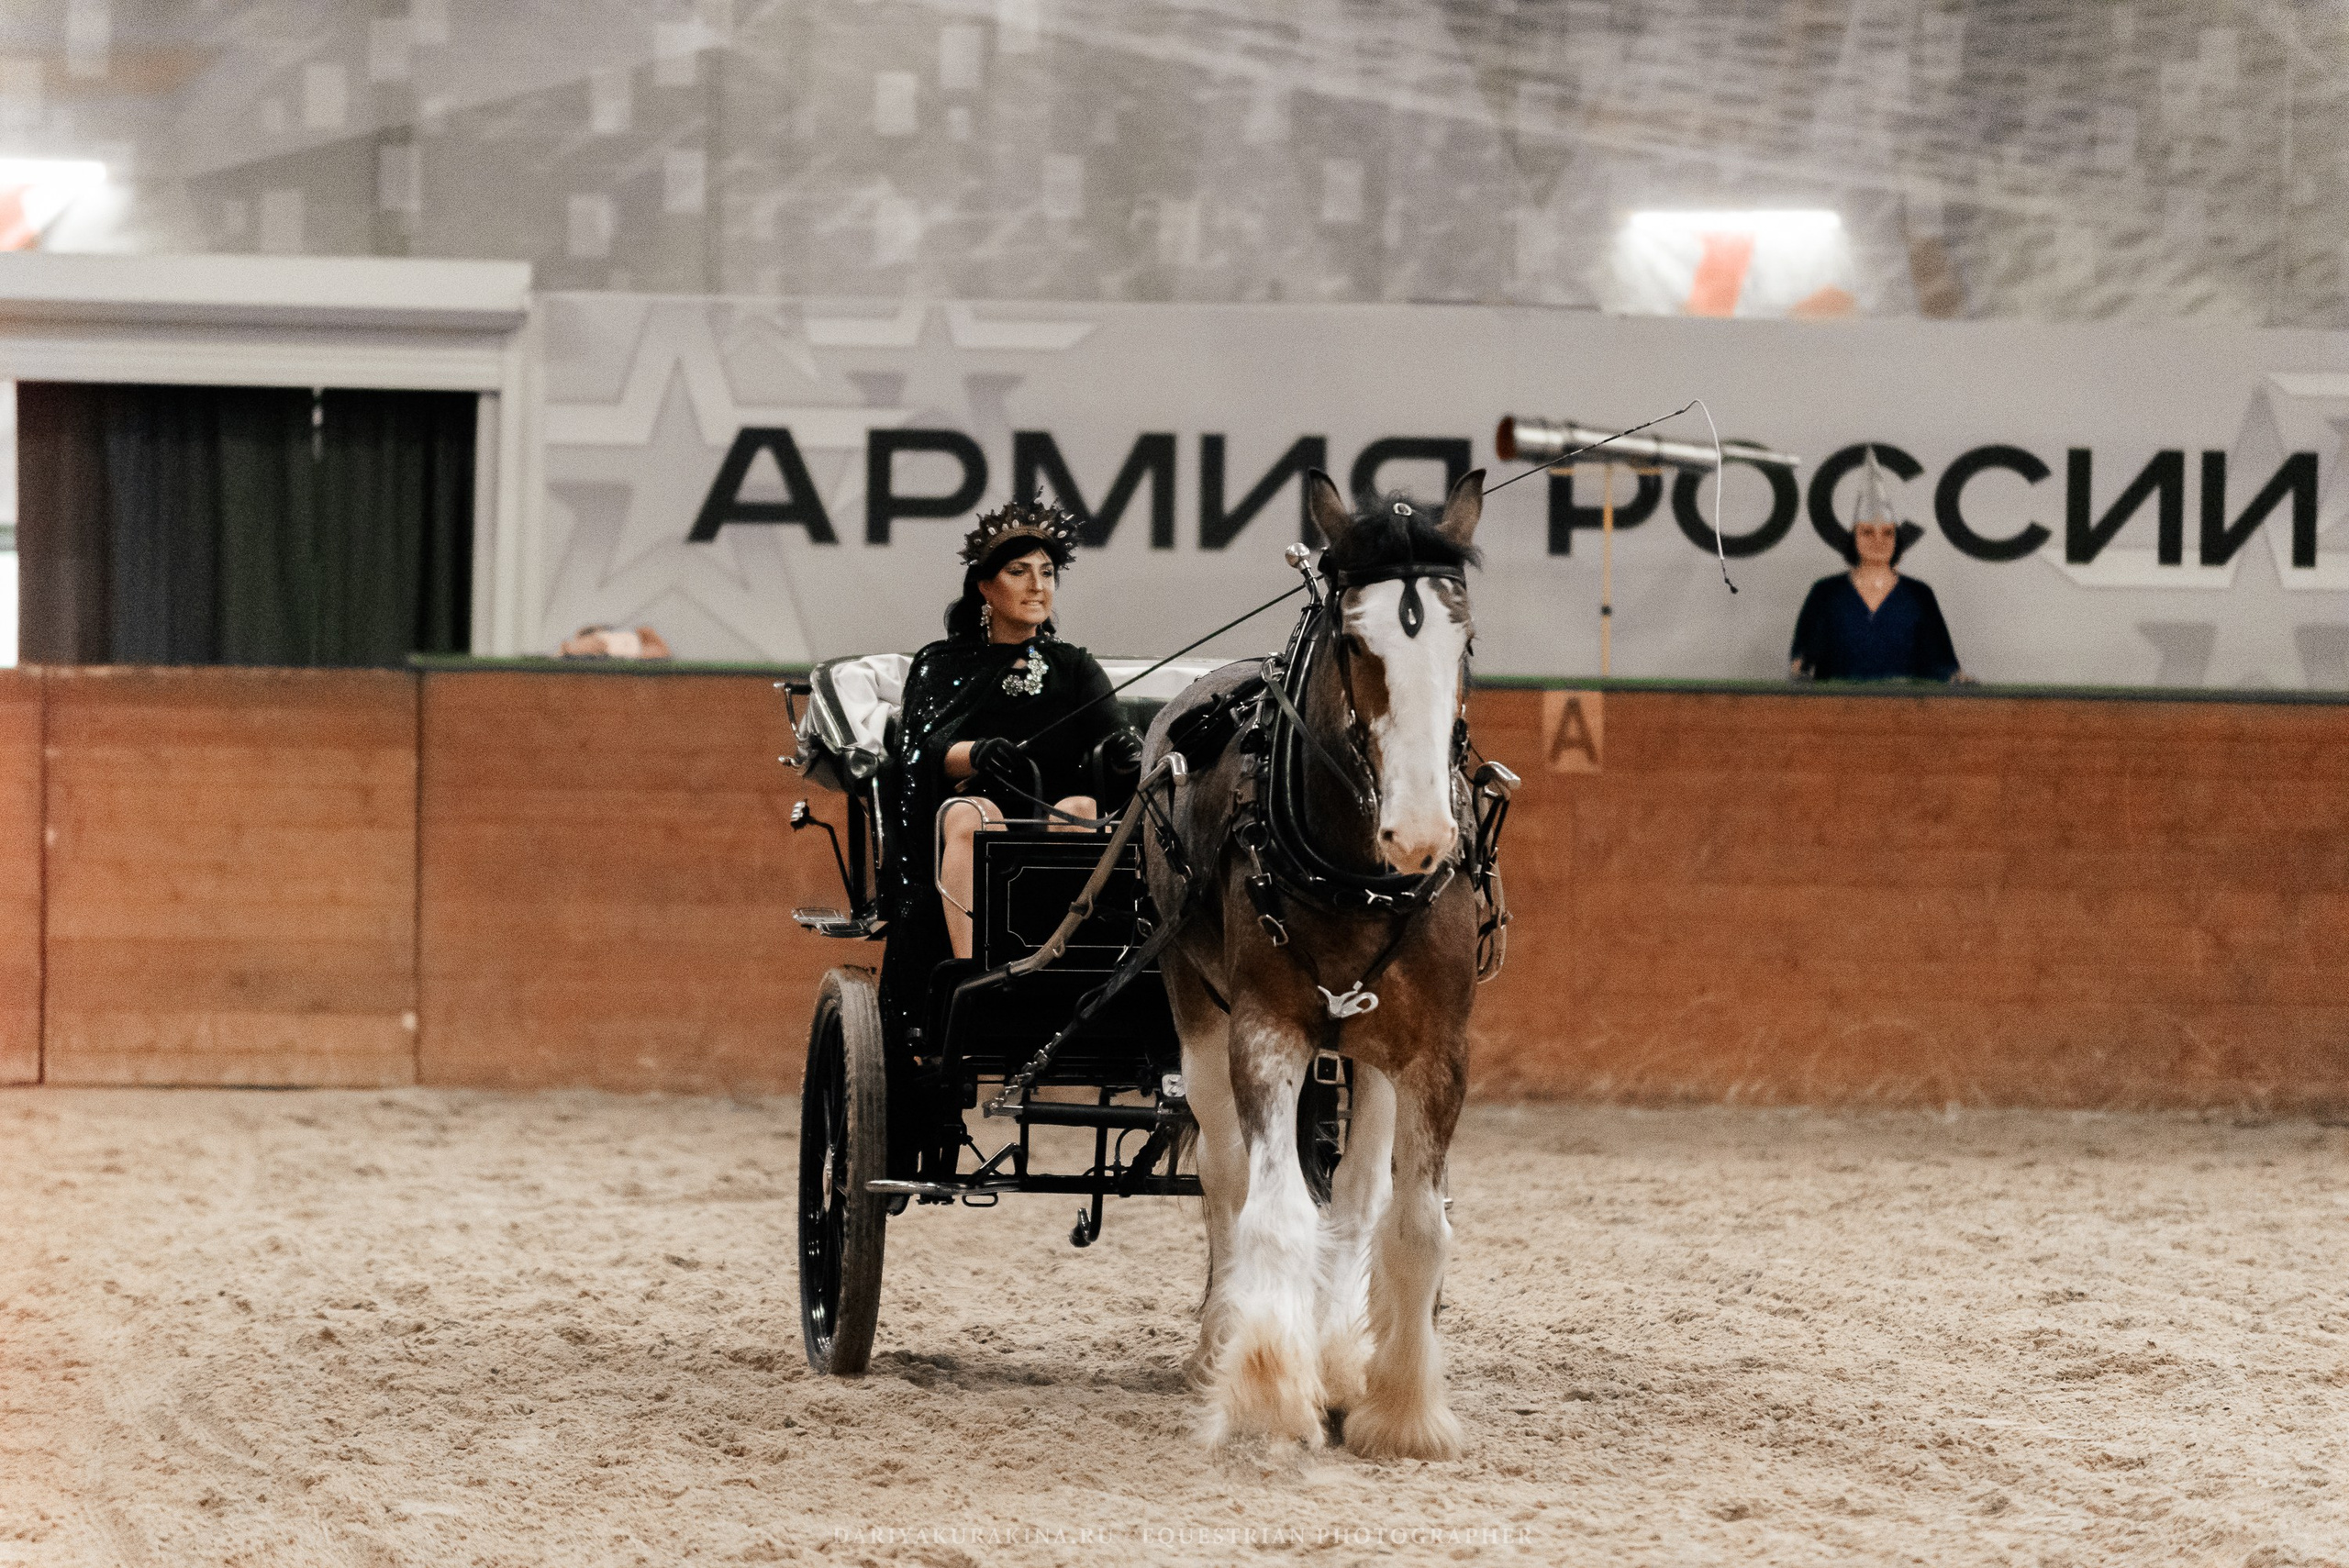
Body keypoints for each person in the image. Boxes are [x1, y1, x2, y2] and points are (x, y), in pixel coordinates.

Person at [881, 500, 1119, 1059]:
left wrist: (1127, 750)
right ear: (985, 589)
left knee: (1084, 806)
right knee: (973, 816)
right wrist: (975, 753)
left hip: (1054, 816)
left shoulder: (1074, 666)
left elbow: (1112, 739)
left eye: (1047, 573)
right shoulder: (943, 664)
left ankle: (1065, 966)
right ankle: (973, 977)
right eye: (1019, 572)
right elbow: (920, 749)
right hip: (974, 815)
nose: (1037, 586)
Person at [1789, 450, 1968, 683]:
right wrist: (1802, 669)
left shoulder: (1919, 594)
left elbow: (1941, 663)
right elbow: (1803, 661)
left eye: (1887, 533)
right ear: (1854, 538)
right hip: (1837, 711)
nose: (1878, 540)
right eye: (1867, 532)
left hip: (1905, 712)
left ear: (1897, 540)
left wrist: (1957, 679)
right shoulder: (1826, 593)